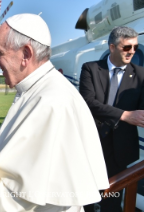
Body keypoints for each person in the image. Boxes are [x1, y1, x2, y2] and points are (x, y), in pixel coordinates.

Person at [0, 13, 109, 212]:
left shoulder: (50, 103)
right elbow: (11, 164)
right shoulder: (39, 91)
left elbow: (14, 199)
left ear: (26, 54)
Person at [79, 26, 144, 212]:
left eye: (135, 47)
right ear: (112, 47)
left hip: (120, 150)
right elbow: (88, 102)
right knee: (86, 197)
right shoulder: (90, 69)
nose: (132, 51)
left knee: (113, 200)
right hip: (91, 144)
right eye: (127, 47)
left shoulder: (141, 75)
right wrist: (125, 115)